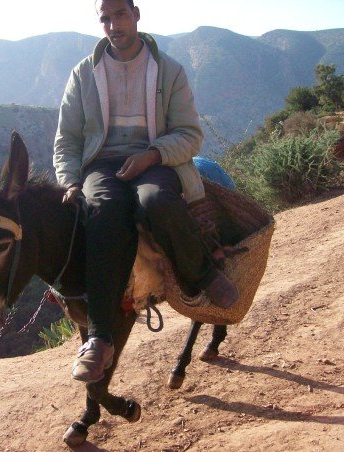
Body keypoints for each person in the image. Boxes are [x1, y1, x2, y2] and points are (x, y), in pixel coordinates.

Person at [53, 0, 238, 383]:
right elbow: (67, 138)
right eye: (105, 18)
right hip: (102, 164)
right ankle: (99, 338)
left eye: (120, 14)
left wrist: (152, 155)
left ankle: (203, 274)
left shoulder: (168, 70)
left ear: (136, 14)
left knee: (155, 201)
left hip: (156, 158)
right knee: (102, 211)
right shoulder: (84, 73)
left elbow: (190, 135)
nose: (113, 25)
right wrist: (69, 180)